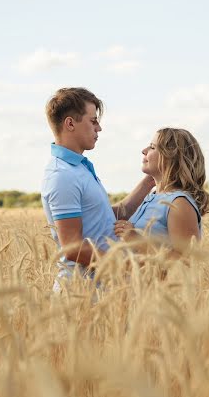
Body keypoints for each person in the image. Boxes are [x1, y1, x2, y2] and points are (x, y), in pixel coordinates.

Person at [41, 87, 154, 291]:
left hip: (101, 291)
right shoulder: (62, 175)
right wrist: (125, 267)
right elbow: (72, 248)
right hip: (81, 294)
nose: (99, 128)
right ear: (70, 123)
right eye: (93, 121)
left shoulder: (78, 168)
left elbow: (107, 218)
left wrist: (149, 181)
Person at [114, 128, 209, 249]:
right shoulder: (152, 198)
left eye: (152, 147)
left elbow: (186, 262)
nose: (144, 151)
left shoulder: (179, 203)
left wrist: (135, 238)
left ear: (172, 158)